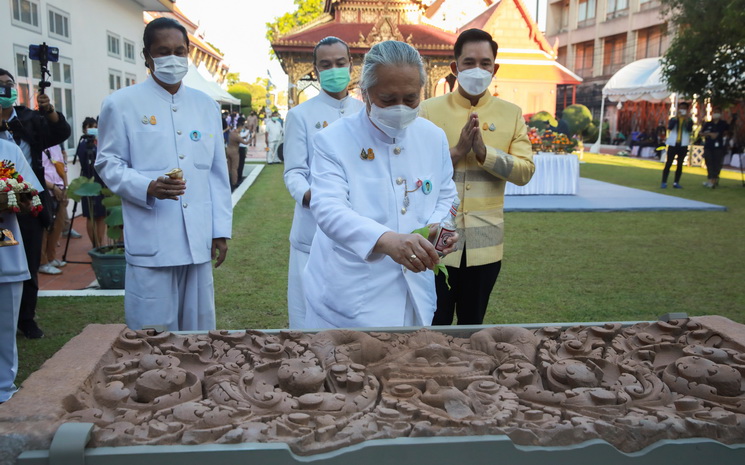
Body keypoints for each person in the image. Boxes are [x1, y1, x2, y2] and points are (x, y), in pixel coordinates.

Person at [303, 40, 458, 329]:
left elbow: (446, 193)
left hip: (416, 294)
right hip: (352, 299)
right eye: (388, 99)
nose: (400, 108)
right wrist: (386, 240)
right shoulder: (334, 140)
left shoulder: (432, 137)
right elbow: (328, 208)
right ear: (365, 93)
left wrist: (438, 228)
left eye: (411, 99)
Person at [95, 17, 232, 331]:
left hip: (197, 241)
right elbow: (108, 163)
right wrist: (147, 187)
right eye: (163, 51)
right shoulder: (121, 104)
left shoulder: (206, 106)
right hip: (151, 239)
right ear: (147, 56)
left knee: (200, 332)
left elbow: (216, 173)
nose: (173, 58)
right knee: (152, 335)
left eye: (180, 51)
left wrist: (220, 229)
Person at [419, 28, 535, 326]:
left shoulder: (511, 114)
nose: (477, 69)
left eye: (485, 63)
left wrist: (485, 154)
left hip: (486, 241)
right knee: (435, 321)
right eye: (469, 63)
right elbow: (414, 172)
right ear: (454, 68)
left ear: (494, 69)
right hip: (436, 238)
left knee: (473, 324)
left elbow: (525, 172)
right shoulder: (429, 111)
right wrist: (456, 151)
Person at [283, 36, 365, 329]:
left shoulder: (365, 113)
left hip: (357, 228)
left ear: (351, 65)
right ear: (315, 71)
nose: (334, 70)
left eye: (340, 63)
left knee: (351, 314)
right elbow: (293, 171)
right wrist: (311, 196)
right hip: (313, 226)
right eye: (326, 65)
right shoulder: (300, 115)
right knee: (307, 314)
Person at [0, 68, 71, 339]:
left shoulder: (30, 119)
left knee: (29, 261)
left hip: (28, 204)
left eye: (9, 85)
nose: (6, 90)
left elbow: (60, 131)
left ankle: (26, 318)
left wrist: (49, 109)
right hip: (2, 211)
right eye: (0, 86)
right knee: (5, 256)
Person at [0, 139, 42, 402]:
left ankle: (4, 388)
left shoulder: (9, 149)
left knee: (5, 326)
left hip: (7, 246)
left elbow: (33, 196)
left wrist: (20, 200)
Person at [76, 117, 107, 248]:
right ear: (85, 129)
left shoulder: (99, 143)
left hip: (101, 182)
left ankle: (101, 242)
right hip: (88, 181)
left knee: (101, 214)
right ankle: (95, 244)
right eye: (91, 127)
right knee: (91, 215)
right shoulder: (83, 144)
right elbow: (85, 162)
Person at [38, 143, 68, 275]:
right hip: (46, 191)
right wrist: (53, 187)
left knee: (58, 226)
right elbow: (36, 172)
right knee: (45, 228)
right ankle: (42, 262)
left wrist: (65, 188)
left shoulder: (56, 146)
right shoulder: (37, 147)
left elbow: (63, 168)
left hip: (59, 190)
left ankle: (51, 257)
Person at [661, 102, 693, 189]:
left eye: (684, 108)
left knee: (680, 164)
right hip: (673, 144)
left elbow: (689, 129)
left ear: (687, 110)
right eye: (681, 108)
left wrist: (686, 119)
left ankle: (676, 182)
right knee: (669, 163)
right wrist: (676, 118)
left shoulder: (689, 120)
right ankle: (664, 181)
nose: (682, 110)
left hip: (683, 144)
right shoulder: (673, 119)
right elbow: (670, 127)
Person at [701, 107, 730, 188]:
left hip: (719, 146)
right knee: (709, 163)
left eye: (718, 112)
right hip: (708, 145)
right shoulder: (708, 123)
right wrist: (709, 134)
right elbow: (701, 133)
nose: (716, 114)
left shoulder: (723, 124)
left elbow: (726, 132)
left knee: (717, 163)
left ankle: (715, 180)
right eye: (715, 112)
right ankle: (710, 180)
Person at [226, 119, 245, 189]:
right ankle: (234, 182)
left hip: (228, 150)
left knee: (229, 167)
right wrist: (252, 136)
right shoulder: (236, 135)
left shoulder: (231, 133)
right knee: (234, 168)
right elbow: (245, 142)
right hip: (234, 152)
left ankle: (227, 181)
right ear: (240, 127)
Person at [237, 118, 249, 182]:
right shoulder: (238, 130)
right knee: (240, 164)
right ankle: (238, 178)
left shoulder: (245, 130)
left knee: (241, 164)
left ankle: (239, 177)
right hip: (240, 147)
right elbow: (239, 138)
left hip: (242, 147)